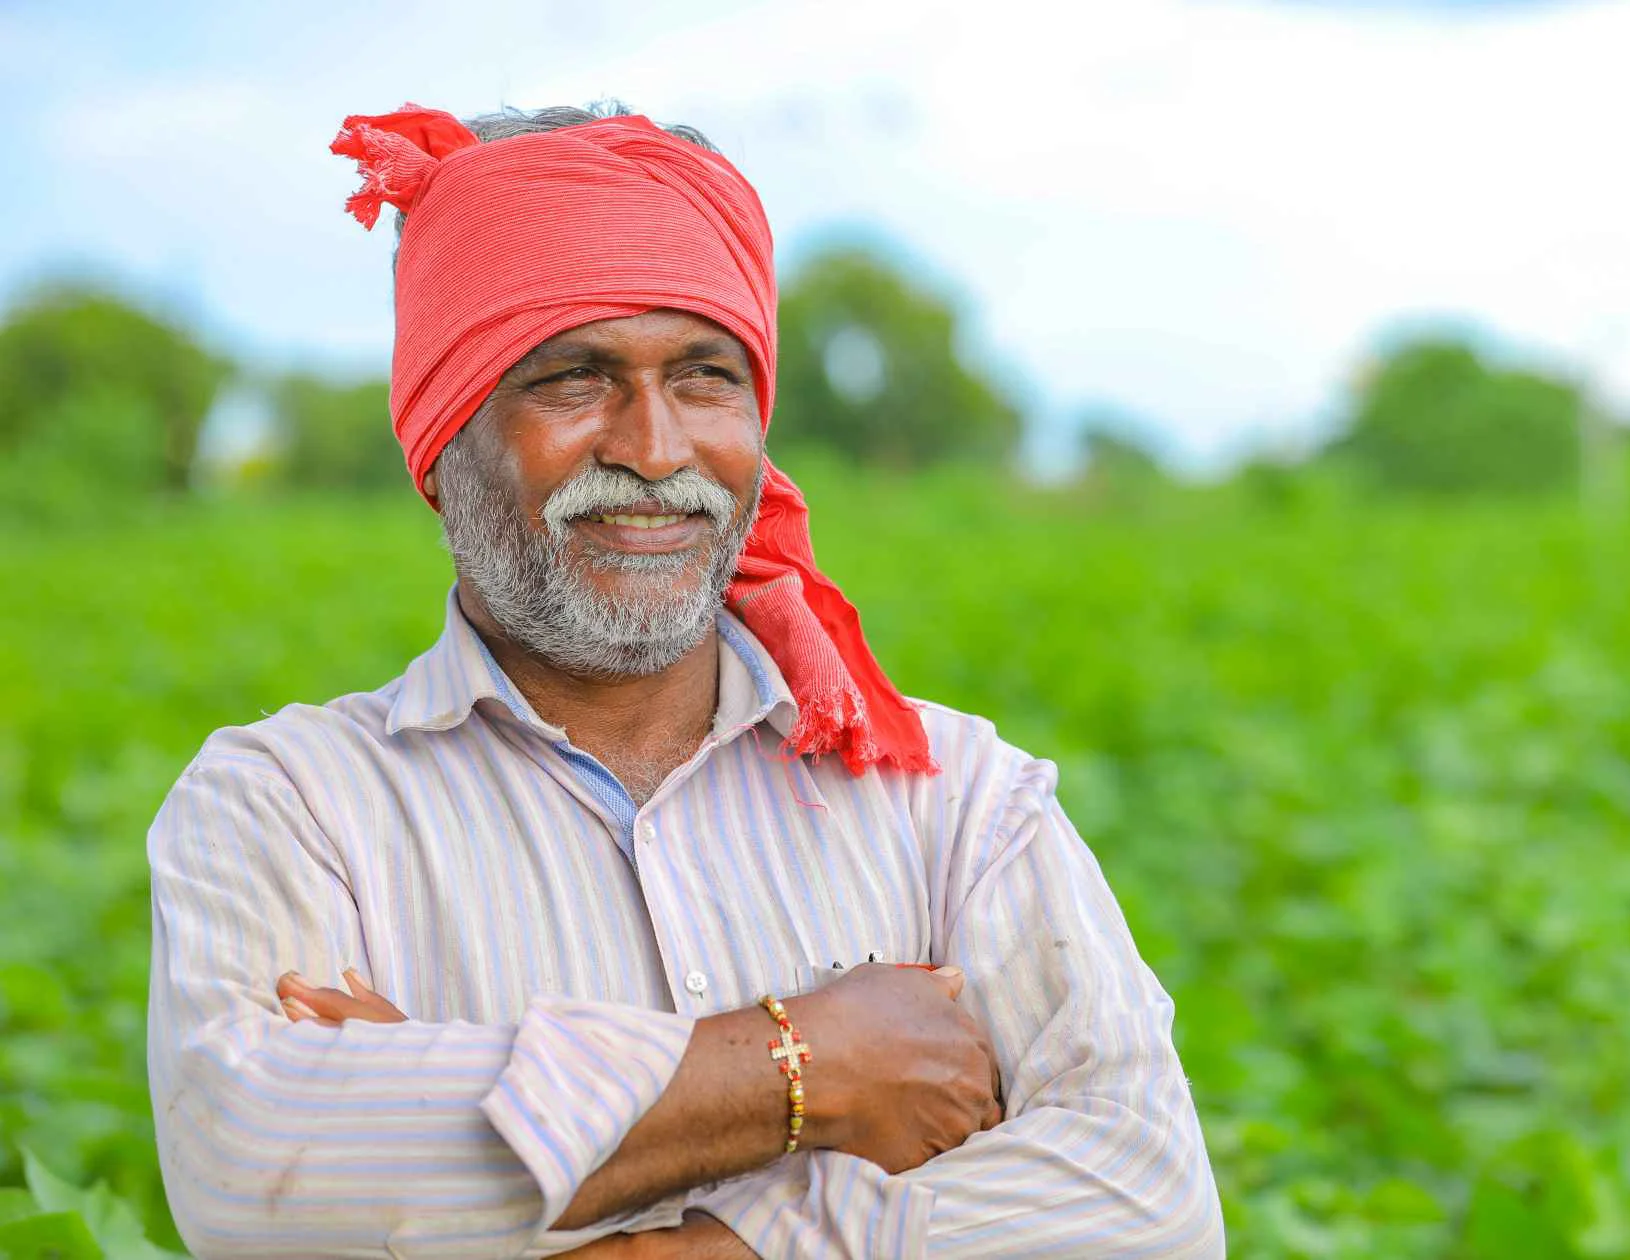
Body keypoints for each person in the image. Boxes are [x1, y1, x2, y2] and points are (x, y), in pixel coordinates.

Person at [143, 102, 1222, 1259]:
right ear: (443, 443)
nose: (654, 450)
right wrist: (810, 1064)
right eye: (575, 379)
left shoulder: (954, 799)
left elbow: (1149, 1208)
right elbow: (253, 1177)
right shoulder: (288, 803)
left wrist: (661, 1238)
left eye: (704, 377)